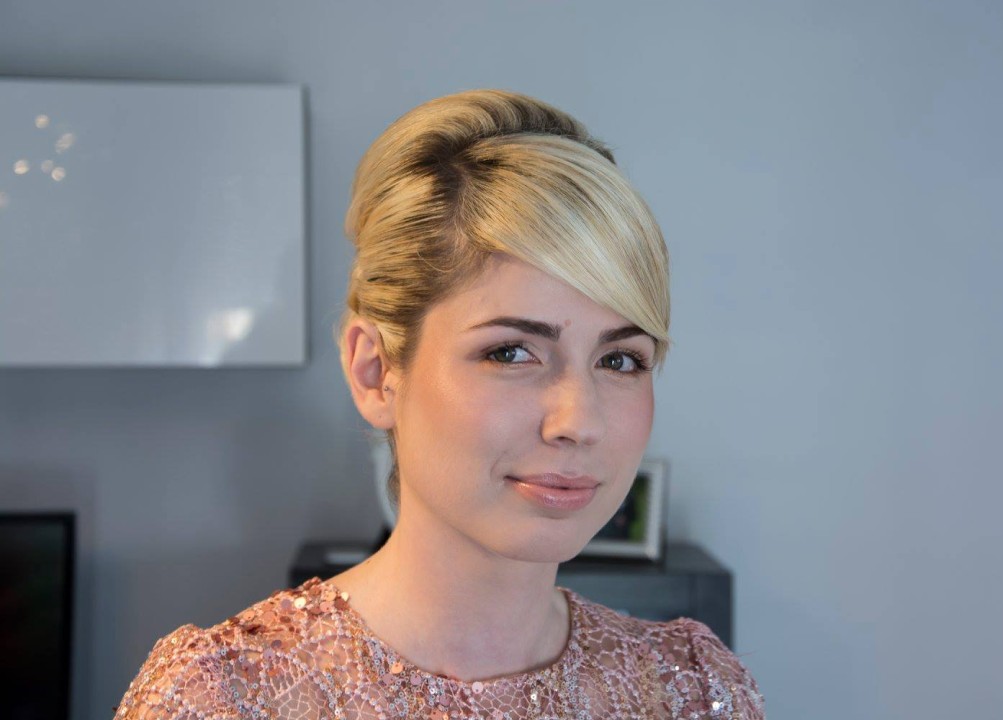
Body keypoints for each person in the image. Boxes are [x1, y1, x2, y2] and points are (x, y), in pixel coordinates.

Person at [113, 89, 765, 719]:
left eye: (620, 360)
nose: (579, 421)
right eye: (511, 352)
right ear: (375, 372)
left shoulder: (691, 691)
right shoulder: (225, 699)